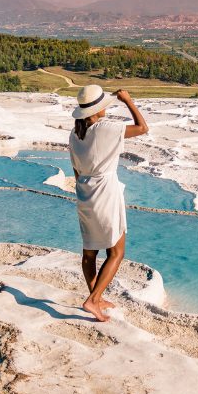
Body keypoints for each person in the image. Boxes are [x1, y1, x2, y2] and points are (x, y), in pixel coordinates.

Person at [68, 85, 149, 321]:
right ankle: (93, 301)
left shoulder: (75, 134)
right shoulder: (106, 128)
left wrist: (86, 189)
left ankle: (96, 296)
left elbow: (75, 170)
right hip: (105, 191)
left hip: (84, 192)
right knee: (116, 251)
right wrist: (128, 100)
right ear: (99, 108)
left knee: (90, 251)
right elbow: (143, 128)